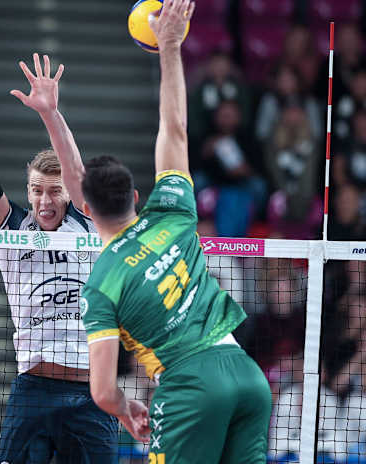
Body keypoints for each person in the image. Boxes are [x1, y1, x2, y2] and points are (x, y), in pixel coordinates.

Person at [78, 1, 272, 463]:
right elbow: (176, 129)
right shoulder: (172, 212)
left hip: (190, 387)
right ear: (137, 198)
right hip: (246, 374)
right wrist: (170, 47)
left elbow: (103, 391)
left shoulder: (101, 282)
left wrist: (127, 410)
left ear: (86, 210)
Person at [0, 54, 118, 462]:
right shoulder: (11, 229)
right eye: (37, 191)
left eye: (54, 191)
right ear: (28, 193)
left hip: (91, 392)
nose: (46, 201)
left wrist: (50, 113)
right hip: (34, 391)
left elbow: (76, 170)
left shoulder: (85, 223)